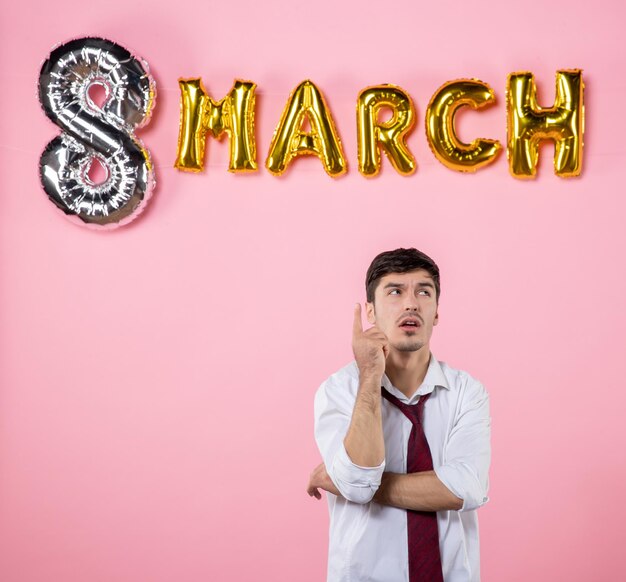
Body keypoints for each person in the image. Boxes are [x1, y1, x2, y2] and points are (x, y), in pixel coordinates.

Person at [307, 248, 491, 582]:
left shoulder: (467, 392)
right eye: (395, 291)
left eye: (424, 291)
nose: (411, 303)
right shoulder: (339, 391)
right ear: (371, 312)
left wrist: (345, 481)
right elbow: (358, 484)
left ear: (436, 312)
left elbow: (466, 488)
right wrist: (370, 375)